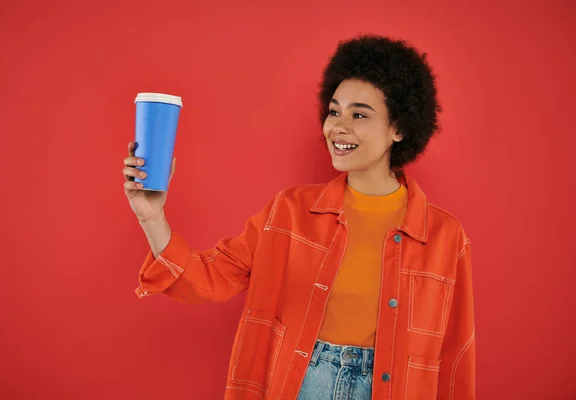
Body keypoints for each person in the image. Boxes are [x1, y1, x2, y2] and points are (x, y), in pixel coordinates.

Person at [122, 34, 475, 400]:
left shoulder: (445, 236)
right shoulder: (288, 212)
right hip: (301, 385)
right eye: (334, 111)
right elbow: (206, 279)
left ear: (399, 128)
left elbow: (454, 358)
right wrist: (151, 216)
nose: (338, 126)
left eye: (359, 114)